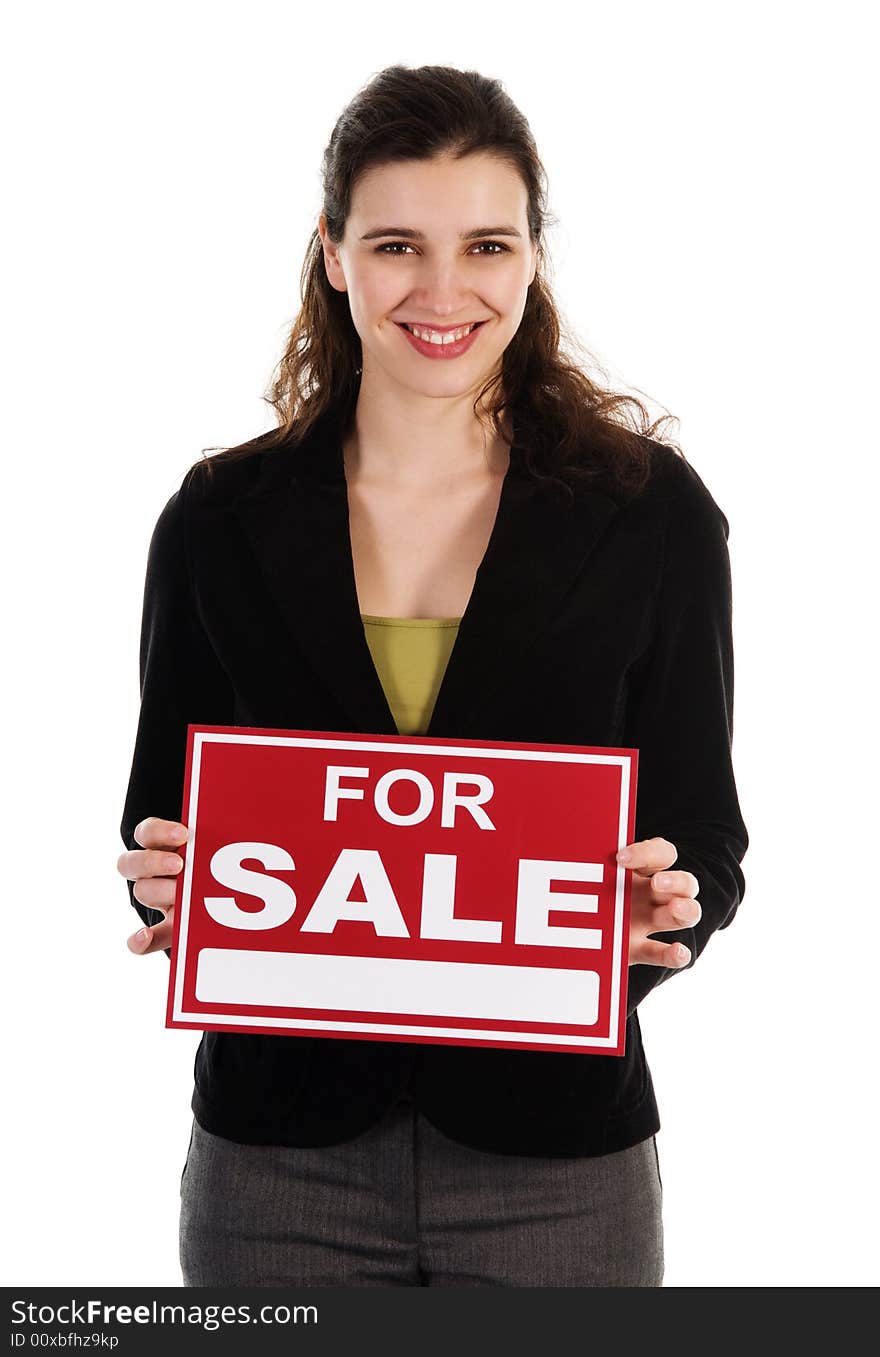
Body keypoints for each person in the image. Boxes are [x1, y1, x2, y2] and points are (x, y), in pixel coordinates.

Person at [117, 63, 748, 1288]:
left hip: (556, 1163)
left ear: (531, 259)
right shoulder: (218, 518)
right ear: (335, 254)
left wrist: (666, 908)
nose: (443, 290)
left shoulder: (647, 515)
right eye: (398, 243)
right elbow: (163, 822)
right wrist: (167, 885)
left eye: (487, 244)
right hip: (277, 1161)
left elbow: (703, 832)